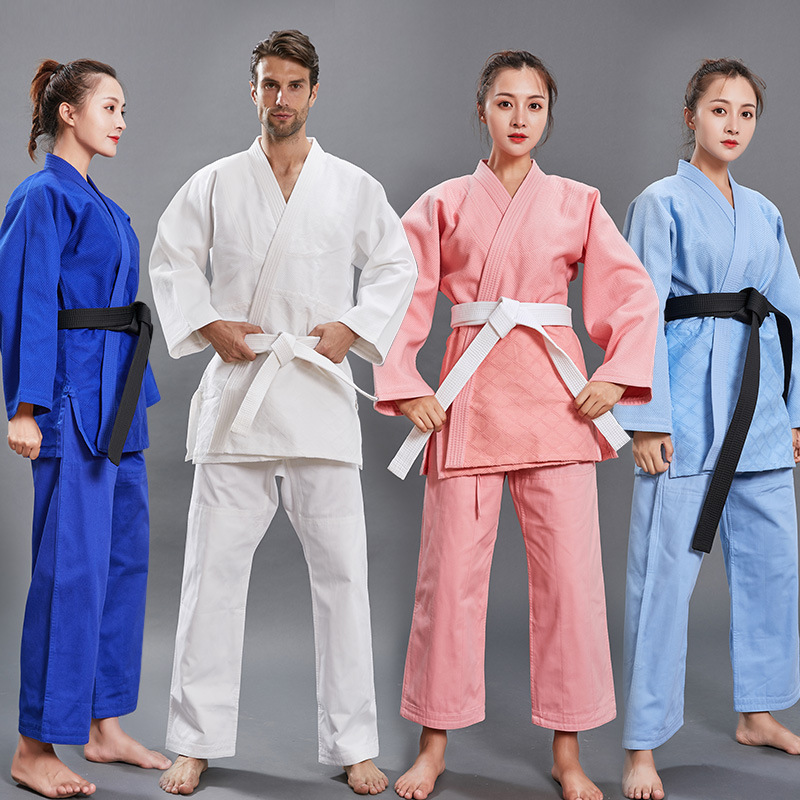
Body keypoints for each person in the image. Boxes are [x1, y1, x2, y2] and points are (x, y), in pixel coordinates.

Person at [373, 51, 659, 800]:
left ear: (547, 115)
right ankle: (433, 745)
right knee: (447, 583)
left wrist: (615, 373)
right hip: (466, 400)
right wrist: (406, 385)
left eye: (534, 105)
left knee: (570, 584)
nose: (520, 117)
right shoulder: (441, 204)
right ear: (483, 112)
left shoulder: (577, 202)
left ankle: (568, 752)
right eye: (506, 103)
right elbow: (401, 293)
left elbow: (632, 294)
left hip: (558, 403)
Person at [149, 29, 416, 797]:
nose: (281, 98)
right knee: (210, 574)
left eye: (295, 84)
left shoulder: (350, 186)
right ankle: (194, 740)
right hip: (240, 390)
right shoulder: (215, 182)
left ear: (314, 91)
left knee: (344, 576)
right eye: (269, 83)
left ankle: (354, 744)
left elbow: (395, 265)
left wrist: (352, 330)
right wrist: (209, 326)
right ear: (253, 89)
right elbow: (171, 260)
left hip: (317, 391)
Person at [616, 58, 800, 800]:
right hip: (686, 414)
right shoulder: (658, 203)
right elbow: (636, 314)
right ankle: (641, 745)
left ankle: (757, 712)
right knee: (662, 579)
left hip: (758, 413)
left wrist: (794, 412)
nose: (733, 124)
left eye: (746, 113)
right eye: (720, 109)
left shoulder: (763, 212)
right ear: (690, 114)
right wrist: (647, 420)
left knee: (773, 565)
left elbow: (791, 313)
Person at [0, 59, 169, 798]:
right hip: (70, 403)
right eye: (109, 106)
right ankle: (34, 745)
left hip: (119, 405)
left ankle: (103, 725)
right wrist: (25, 407)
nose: (121, 120)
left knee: (122, 565)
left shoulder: (101, 202)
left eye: (124, 109)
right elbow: (28, 300)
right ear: (68, 112)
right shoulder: (41, 197)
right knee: (69, 570)